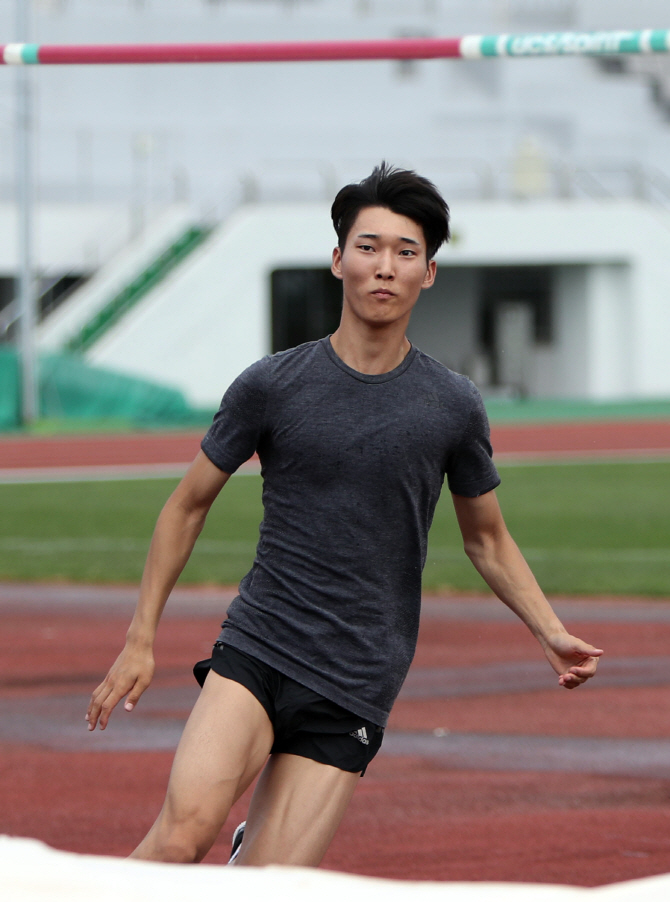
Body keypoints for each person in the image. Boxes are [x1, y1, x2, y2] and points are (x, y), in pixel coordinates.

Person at [86, 162, 603, 868]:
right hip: (262, 644)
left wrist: (549, 631)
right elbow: (186, 506)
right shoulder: (272, 385)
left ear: (429, 273)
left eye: (406, 252)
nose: (385, 266)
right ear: (338, 261)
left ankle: (251, 855)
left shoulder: (452, 405)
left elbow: (486, 538)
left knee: (269, 885)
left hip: (359, 675)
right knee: (180, 838)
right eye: (368, 247)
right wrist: (140, 638)